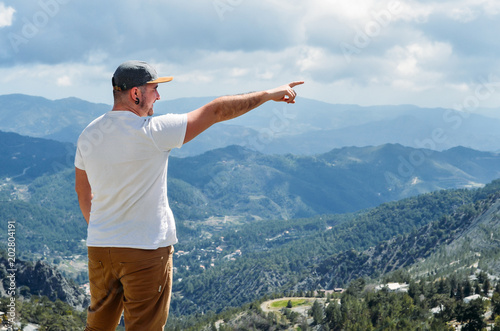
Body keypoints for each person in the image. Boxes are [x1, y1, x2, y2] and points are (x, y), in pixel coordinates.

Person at [74, 60, 304, 330]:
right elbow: (217, 110)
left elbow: (82, 190)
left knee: (97, 327)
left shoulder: (89, 134)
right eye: (154, 89)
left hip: (100, 248)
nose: (158, 96)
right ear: (136, 94)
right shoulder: (153, 132)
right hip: (146, 251)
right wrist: (268, 94)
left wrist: (103, 229)